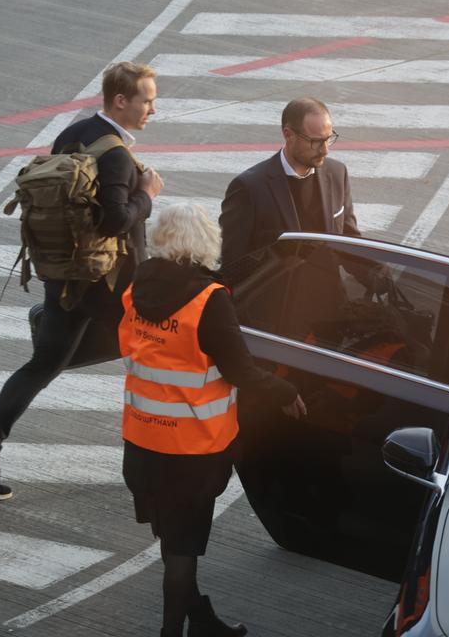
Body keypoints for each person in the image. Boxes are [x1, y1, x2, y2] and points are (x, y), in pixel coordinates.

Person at [0, 61, 165, 501]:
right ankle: (151, 472)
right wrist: (147, 194)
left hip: (62, 273)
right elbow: (114, 221)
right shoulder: (117, 157)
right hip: (107, 283)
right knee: (151, 352)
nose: (153, 109)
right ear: (120, 100)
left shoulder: (74, 134)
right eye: (147, 99)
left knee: (44, 364)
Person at [119, 202, 306, 637]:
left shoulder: (135, 290)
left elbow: (131, 350)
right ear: (207, 242)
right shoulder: (208, 300)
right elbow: (240, 370)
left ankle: (202, 620)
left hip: (142, 443)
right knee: (181, 553)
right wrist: (286, 391)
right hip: (191, 451)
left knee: (173, 543)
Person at [218, 96, 358, 284]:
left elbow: (349, 238)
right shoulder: (248, 188)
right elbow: (233, 263)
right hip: (274, 308)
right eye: (315, 141)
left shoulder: (337, 173)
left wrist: (378, 275)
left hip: (330, 301)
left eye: (328, 139)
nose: (325, 150)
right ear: (288, 134)